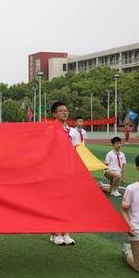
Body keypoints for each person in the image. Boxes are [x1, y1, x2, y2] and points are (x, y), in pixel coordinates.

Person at [49, 101, 76, 245]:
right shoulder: (51, 129)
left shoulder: (73, 131)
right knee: (55, 201)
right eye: (61, 110)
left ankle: (65, 230)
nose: (65, 112)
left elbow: (77, 150)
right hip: (54, 170)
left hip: (69, 169)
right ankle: (55, 232)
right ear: (54, 113)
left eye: (66, 110)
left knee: (66, 201)